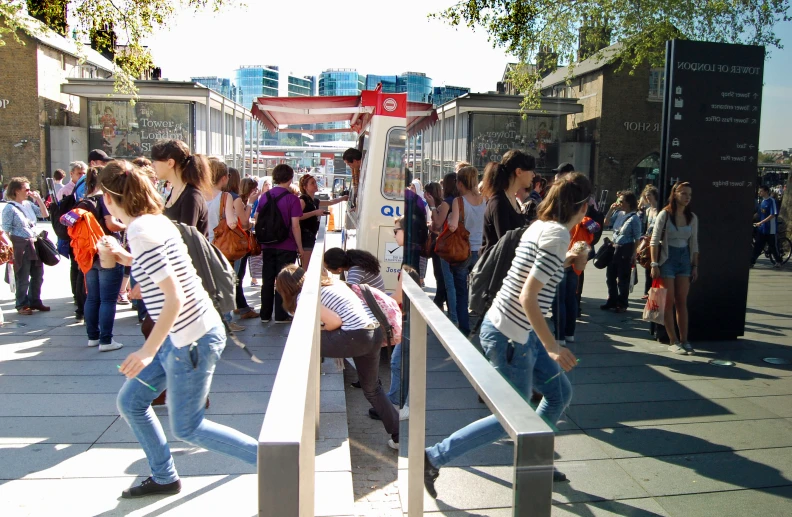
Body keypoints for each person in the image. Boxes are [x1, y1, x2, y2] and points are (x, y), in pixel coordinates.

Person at [423, 174, 591, 499]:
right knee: (510, 415)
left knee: (557, 393)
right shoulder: (557, 234)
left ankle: (533, 460)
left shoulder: (543, 227)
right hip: (512, 334)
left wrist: (568, 260)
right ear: (583, 206)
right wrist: (553, 347)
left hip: (514, 330)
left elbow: (528, 276)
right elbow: (529, 296)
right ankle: (434, 457)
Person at [98, 160, 257, 499]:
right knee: (132, 401)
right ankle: (164, 476)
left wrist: (146, 351)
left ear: (110, 199)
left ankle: (275, 462)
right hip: (184, 336)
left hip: (190, 340)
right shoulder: (152, 223)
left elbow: (174, 297)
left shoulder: (142, 231)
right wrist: (125, 257)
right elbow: (163, 270)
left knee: (188, 426)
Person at [276, 264, 399, 449]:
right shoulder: (332, 284)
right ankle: (399, 436)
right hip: (373, 333)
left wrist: (319, 328)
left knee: (303, 338)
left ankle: (293, 404)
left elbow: (334, 322)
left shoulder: (306, 296)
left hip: (355, 336)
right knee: (372, 388)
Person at [76, 167, 126, 352]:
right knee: (108, 300)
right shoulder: (105, 199)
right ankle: (106, 340)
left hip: (89, 254)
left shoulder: (84, 200)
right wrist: (128, 224)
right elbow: (111, 224)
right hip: (107, 253)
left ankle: (93, 337)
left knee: (92, 298)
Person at [650, 182, 699, 356]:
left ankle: (685, 340)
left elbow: (694, 244)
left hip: (684, 259)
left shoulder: (692, 217)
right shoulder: (664, 214)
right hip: (667, 259)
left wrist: (694, 265)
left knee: (681, 301)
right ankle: (673, 340)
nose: (687, 197)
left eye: (689, 195)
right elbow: (654, 241)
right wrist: (654, 264)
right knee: (668, 301)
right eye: (684, 193)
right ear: (675, 194)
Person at [256, 164, 304, 323]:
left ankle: (265, 314)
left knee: (267, 279)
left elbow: (257, 218)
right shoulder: (292, 199)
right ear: (290, 178)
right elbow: (295, 226)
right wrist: (300, 248)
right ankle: (281, 314)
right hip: (287, 244)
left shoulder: (265, 196)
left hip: (267, 244)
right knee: (283, 281)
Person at [205, 159, 247, 332]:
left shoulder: (198, 193)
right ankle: (226, 320)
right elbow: (231, 223)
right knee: (225, 283)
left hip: (202, 244)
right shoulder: (225, 196)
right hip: (221, 247)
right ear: (224, 178)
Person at [2, 178, 50, 315]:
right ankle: (22, 304)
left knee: (38, 275)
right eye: (26, 189)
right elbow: (5, 230)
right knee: (23, 277)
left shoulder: (28, 204)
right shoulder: (9, 208)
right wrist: (9, 250)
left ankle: (35, 300)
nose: (29, 192)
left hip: (34, 242)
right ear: (16, 190)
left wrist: (39, 199)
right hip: (20, 244)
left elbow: (45, 214)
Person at [480, 151, 535, 256]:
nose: (533, 175)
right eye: (531, 170)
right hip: (495, 269)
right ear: (519, 172)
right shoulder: (499, 202)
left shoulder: (511, 200)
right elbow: (506, 242)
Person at [151, 139, 211, 237]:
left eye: (155, 161)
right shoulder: (174, 191)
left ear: (170, 163)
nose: (152, 165)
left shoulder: (191, 196)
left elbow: (186, 238)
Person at [602, 191, 642, 313]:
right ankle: (612, 300)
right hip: (614, 247)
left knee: (622, 278)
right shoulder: (618, 213)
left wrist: (634, 253)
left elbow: (637, 238)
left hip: (625, 248)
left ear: (629, 203)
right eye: (619, 201)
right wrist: (610, 210)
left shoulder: (634, 218)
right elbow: (606, 223)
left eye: (622, 201)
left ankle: (622, 303)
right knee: (610, 276)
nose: (619, 203)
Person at [298, 174, 347, 269]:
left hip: (311, 234)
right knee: (306, 266)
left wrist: (343, 198)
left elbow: (330, 202)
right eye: (312, 183)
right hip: (305, 236)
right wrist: (315, 213)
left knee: (309, 264)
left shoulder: (314, 200)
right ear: (305, 187)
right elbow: (298, 217)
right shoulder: (302, 200)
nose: (315, 185)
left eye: (315, 182)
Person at [233, 176, 261, 320]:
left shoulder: (234, 199)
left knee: (239, 275)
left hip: (237, 243)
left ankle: (240, 304)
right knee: (238, 275)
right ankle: (242, 307)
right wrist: (251, 222)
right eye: (254, 189)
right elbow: (244, 223)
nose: (257, 191)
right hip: (239, 243)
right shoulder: (239, 201)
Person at [423, 182, 447, 310]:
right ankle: (440, 300)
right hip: (438, 243)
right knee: (439, 274)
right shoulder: (440, 204)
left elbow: (437, 226)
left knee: (440, 274)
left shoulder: (439, 206)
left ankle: (439, 300)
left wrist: (429, 225)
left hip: (440, 243)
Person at [751, 185, 782, 268]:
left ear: (766, 191)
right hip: (762, 229)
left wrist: (761, 222)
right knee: (758, 246)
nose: (759, 192)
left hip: (770, 229)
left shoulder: (772, 201)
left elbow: (773, 215)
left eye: (761, 191)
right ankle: (752, 261)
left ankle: (778, 261)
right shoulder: (762, 201)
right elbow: (759, 213)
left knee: (773, 246)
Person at [639, 185, 660, 298]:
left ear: (654, 196)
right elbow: (646, 225)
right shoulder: (648, 210)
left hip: (656, 238)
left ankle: (653, 290)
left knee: (655, 265)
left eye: (649, 196)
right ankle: (647, 290)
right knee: (647, 265)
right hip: (648, 238)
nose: (647, 198)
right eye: (646, 196)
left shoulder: (660, 209)